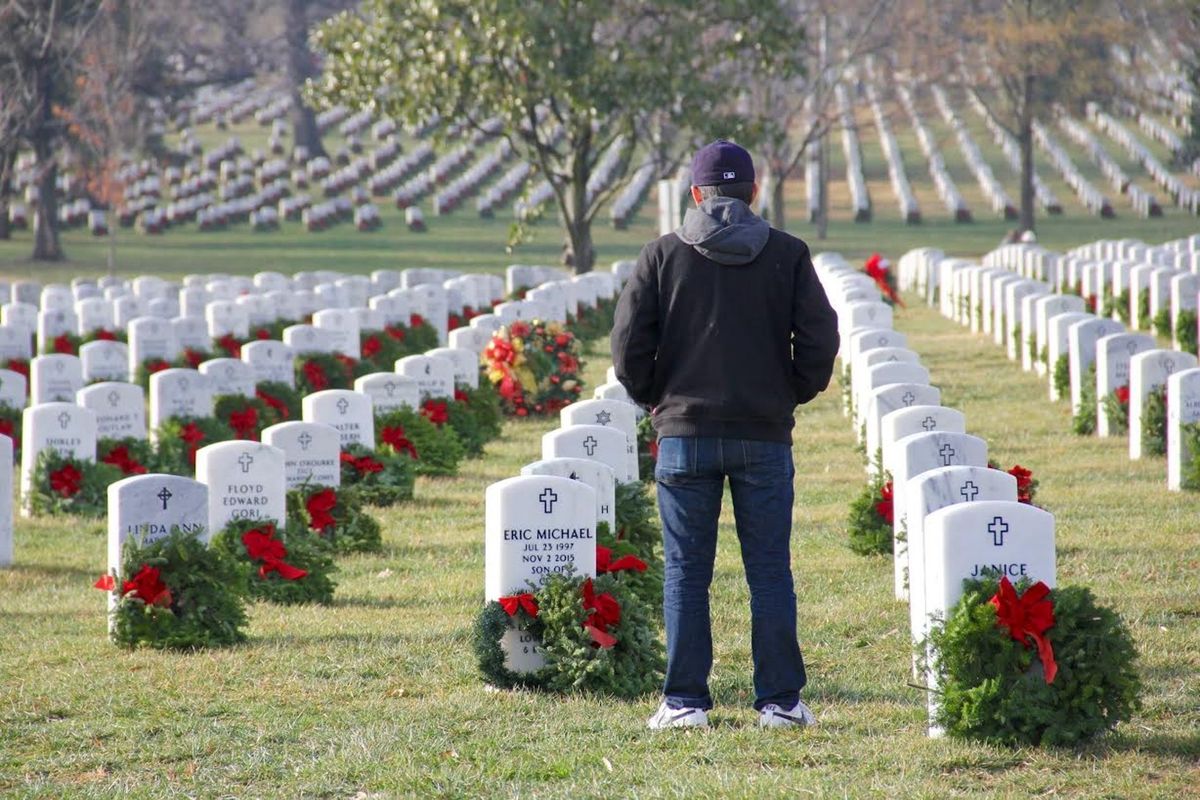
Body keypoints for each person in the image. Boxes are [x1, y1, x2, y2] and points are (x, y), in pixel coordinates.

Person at [611, 139, 840, 730]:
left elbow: (628, 344)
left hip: (685, 435)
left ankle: (685, 702)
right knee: (769, 569)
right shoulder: (787, 253)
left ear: (695, 195)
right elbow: (819, 338)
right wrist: (788, 393)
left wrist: (658, 402)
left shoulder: (661, 254)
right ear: (754, 193)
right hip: (764, 436)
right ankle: (780, 704)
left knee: (687, 570)